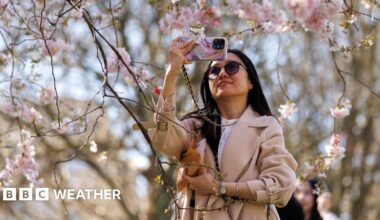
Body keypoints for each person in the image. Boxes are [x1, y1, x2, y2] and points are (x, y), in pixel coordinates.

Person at [148, 37, 298, 219]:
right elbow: (162, 139)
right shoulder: (195, 125)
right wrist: (171, 74)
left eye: (232, 67)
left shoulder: (266, 126)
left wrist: (219, 187)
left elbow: (280, 186)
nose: (222, 74)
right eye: (214, 70)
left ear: (251, 81)